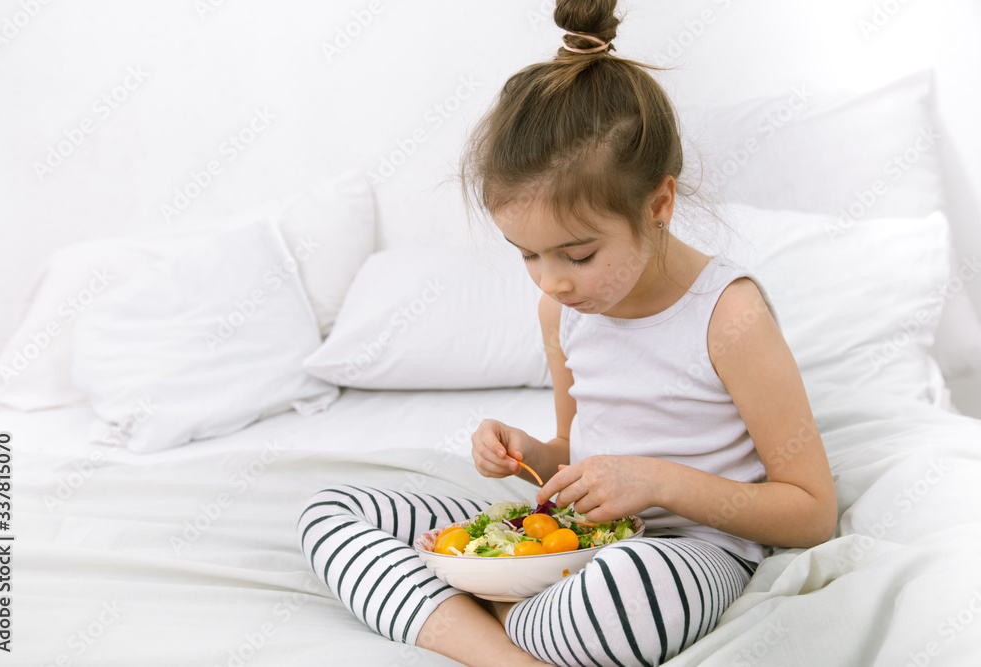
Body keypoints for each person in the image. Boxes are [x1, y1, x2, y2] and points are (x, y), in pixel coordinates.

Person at [298, 1, 837, 665]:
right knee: (331, 511)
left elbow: (812, 510)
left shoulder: (729, 315)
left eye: (577, 254)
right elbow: (570, 453)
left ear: (659, 205)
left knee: (626, 593)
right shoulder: (564, 310)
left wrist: (659, 482)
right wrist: (531, 453)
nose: (550, 282)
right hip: (567, 538)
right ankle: (514, 645)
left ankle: (472, 608)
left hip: (685, 551)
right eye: (527, 254)